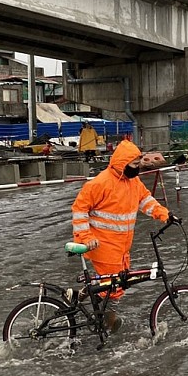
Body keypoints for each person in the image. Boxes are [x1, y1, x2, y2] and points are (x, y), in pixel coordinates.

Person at [71, 139, 179, 332]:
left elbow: (146, 201)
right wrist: (86, 237)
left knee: (112, 282)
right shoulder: (101, 183)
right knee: (114, 289)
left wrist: (165, 215)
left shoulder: (133, 182)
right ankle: (108, 326)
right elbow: (79, 209)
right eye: (134, 164)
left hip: (121, 246)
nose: (138, 168)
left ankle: (79, 297)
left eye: (139, 164)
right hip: (102, 246)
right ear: (122, 163)